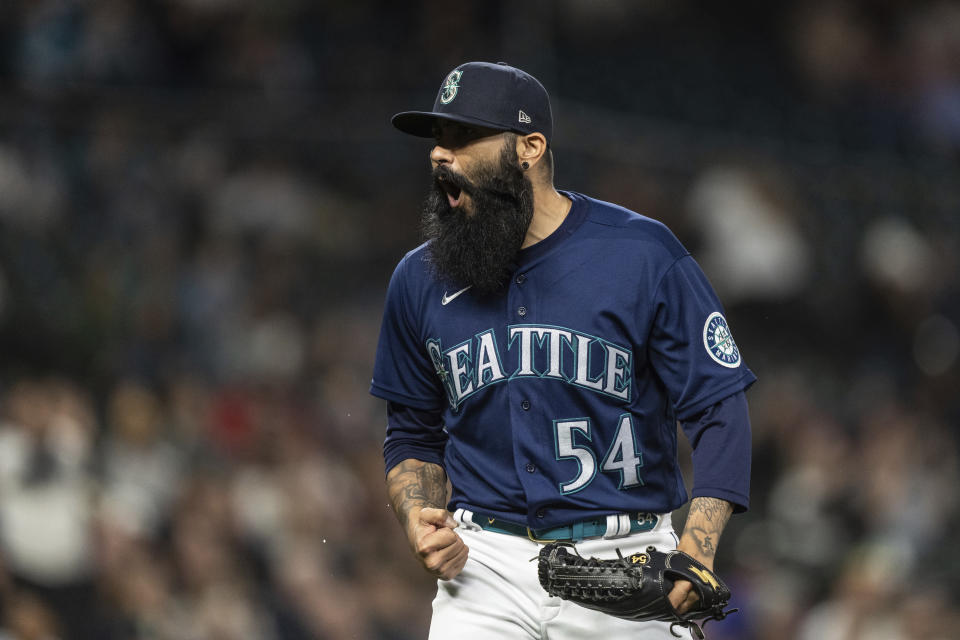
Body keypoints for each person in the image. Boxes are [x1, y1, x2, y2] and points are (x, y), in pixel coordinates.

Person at [371, 61, 755, 639]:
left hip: (626, 559)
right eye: (437, 138)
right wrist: (417, 521)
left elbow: (719, 410)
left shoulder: (641, 255)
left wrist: (695, 549)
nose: (439, 154)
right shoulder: (418, 279)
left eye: (463, 136)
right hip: (486, 568)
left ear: (528, 147)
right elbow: (411, 434)